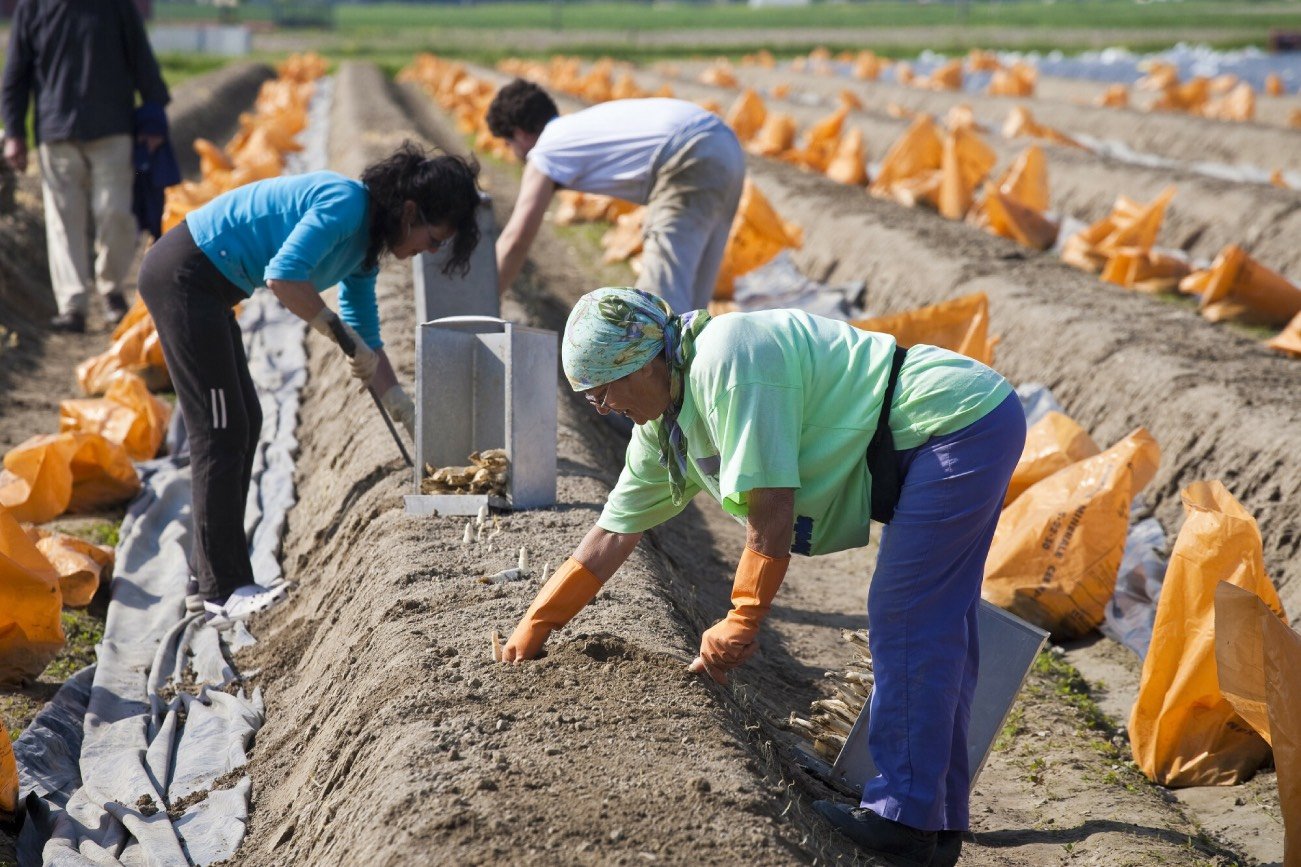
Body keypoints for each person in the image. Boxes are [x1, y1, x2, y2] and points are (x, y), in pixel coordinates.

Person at [500, 288, 1027, 867]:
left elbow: (772, 510)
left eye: (602, 389)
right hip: (953, 427)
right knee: (934, 617)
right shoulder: (667, 426)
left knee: (907, 613)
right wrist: (537, 622)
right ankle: (934, 817)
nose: (599, 406)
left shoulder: (728, 360)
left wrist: (742, 618)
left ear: (645, 363)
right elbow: (613, 533)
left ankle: (903, 818)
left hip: (952, 422)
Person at [137, 142, 481, 626]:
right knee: (219, 431)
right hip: (185, 276)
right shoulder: (344, 205)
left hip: (211, 288)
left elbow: (366, 334)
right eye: (434, 238)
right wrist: (337, 333)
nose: (429, 250)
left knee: (244, 421)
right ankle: (224, 590)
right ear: (410, 212)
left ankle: (205, 577)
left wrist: (399, 401)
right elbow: (283, 276)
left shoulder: (365, 249)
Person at [487, 79, 745, 315]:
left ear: (520, 134)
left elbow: (516, 239)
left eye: (508, 145)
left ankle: (661, 363)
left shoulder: (546, 149)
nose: (513, 154)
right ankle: (691, 363)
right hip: (725, 143)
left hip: (688, 153)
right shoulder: (574, 129)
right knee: (694, 306)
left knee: (661, 303)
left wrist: (482, 303)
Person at [1, 0, 171, 333]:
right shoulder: (32, 9)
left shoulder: (115, 7)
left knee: (116, 213)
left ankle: (111, 289)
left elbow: (142, 60)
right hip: (56, 131)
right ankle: (73, 305)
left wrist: (153, 118)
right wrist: (15, 133)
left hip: (113, 129)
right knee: (64, 220)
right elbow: (15, 74)